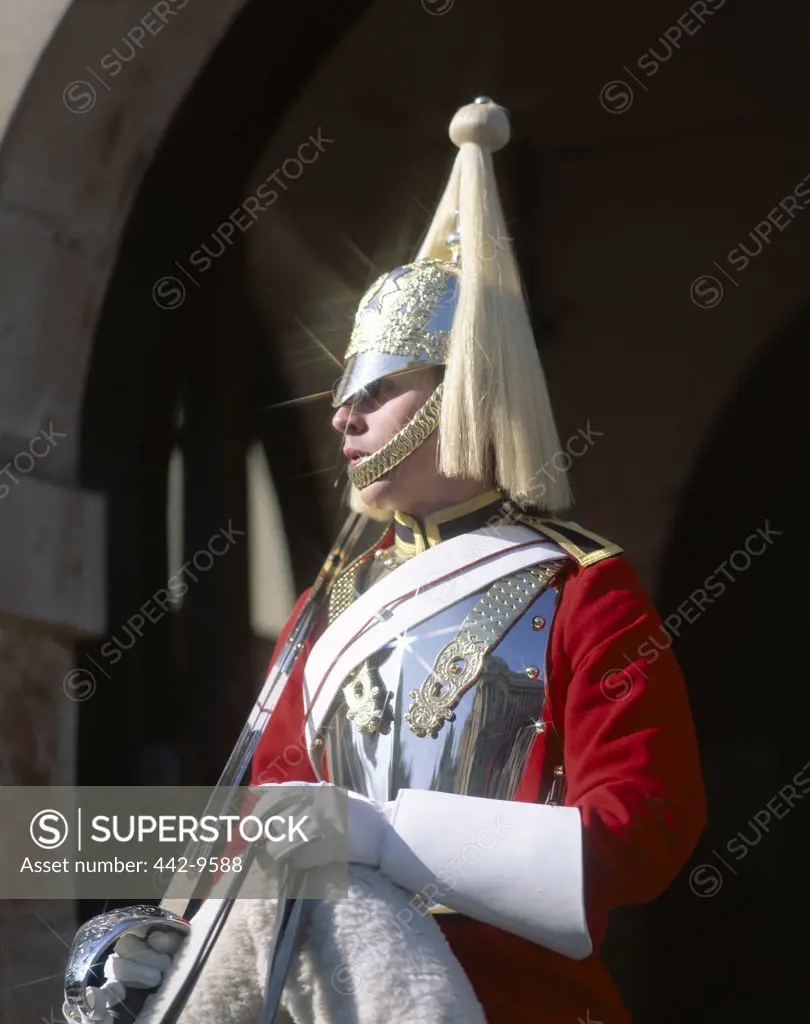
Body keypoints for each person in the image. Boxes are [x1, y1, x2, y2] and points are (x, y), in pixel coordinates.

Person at [68, 97, 705, 1024]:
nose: (342, 417)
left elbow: (646, 826)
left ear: (464, 396)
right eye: (339, 394)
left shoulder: (581, 589)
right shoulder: (331, 602)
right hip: (316, 988)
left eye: (378, 391)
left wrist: (393, 836)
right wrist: (166, 932)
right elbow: (265, 818)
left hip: (518, 999)